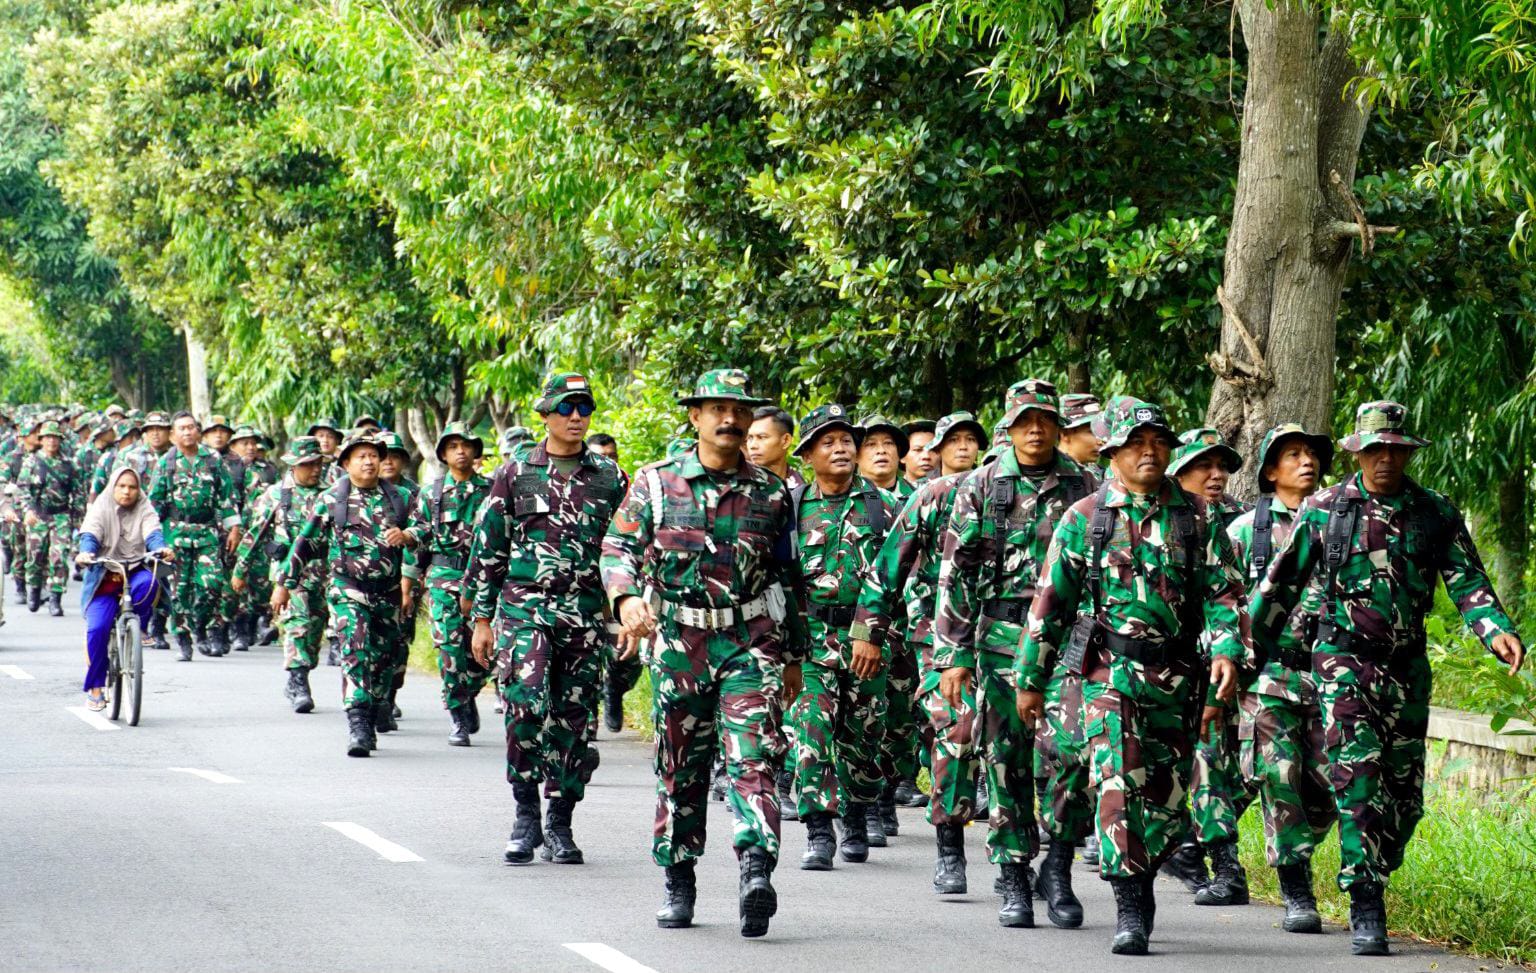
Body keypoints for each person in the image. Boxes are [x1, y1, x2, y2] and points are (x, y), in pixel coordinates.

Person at [1250, 401, 1524, 956]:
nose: (1385, 460)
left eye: (1395, 450)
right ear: (1359, 453)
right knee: (1359, 784)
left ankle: (1379, 861)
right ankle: (1365, 901)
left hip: (1406, 669)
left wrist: (1494, 629)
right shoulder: (1326, 509)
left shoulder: (1434, 512)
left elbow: (1467, 580)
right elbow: (1277, 589)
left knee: (1404, 797)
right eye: (1375, 450)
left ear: (1406, 453)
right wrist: (1245, 656)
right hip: (1342, 664)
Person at [1017, 397, 1248, 955]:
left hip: (1177, 676)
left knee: (1166, 800)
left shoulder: (1196, 517)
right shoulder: (1086, 518)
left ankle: (1142, 875)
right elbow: (1050, 602)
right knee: (1117, 782)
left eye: (1158, 442)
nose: (1149, 452)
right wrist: (1030, 677)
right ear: (1112, 451)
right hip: (1106, 674)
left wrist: (1226, 650)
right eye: (1136, 443)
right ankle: (1128, 904)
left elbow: (1224, 593)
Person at [601, 368, 808, 938]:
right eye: (717, 408)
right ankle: (679, 876)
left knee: (754, 757)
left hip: (750, 640)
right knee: (680, 765)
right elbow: (618, 545)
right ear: (695, 417)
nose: (729, 419)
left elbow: (787, 577)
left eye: (739, 410)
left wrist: (793, 655)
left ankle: (755, 871)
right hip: (680, 642)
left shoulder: (770, 491)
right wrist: (624, 599)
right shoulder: (656, 482)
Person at [934, 379, 1096, 929]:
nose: (1035, 429)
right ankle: (1012, 875)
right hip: (1000, 639)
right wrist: (952, 654)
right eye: (1024, 419)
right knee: (1006, 759)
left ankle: (1059, 863)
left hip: (1069, 645)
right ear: (1008, 425)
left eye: (1044, 420)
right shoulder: (982, 485)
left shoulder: (1086, 485)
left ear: (1058, 426)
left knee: (1073, 755)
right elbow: (954, 573)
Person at [467, 374, 625, 865]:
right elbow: (488, 547)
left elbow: (625, 549)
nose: (576, 417)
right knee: (525, 704)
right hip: (524, 607)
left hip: (583, 612)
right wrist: (482, 619)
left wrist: (626, 612)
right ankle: (525, 813)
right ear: (545, 414)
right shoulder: (516, 473)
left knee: (575, 720)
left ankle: (561, 820)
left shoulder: (609, 477)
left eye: (584, 408)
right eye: (566, 408)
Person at [850, 410, 984, 894]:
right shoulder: (932, 497)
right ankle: (949, 847)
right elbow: (888, 568)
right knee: (952, 730)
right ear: (936, 450)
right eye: (954, 441)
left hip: (1013, 641)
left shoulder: (1004, 493)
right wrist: (869, 629)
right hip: (935, 635)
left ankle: (1033, 858)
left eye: (973, 439)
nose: (963, 448)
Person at [1225, 422, 1335, 933]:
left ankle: (1294, 841)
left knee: (1331, 779)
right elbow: (1224, 605)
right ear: (1270, 472)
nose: (1305, 462)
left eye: (1310, 454)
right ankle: (1297, 889)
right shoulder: (1246, 531)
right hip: (1269, 674)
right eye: (1292, 455)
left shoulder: (1342, 521)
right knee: (1279, 774)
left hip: (1333, 674)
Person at [787, 404, 898, 870]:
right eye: (828, 442)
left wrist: (870, 632)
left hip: (867, 640)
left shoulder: (883, 506)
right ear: (808, 453)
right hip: (811, 638)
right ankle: (818, 829)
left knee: (864, 735)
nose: (840, 448)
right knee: (810, 729)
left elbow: (898, 574)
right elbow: (777, 574)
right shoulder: (790, 507)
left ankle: (856, 811)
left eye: (846, 441)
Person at [274, 432, 411, 756]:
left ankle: (378, 703)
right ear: (346, 463)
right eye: (360, 456)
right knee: (354, 650)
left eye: (373, 455)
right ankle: (358, 724)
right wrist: (284, 584)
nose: (368, 461)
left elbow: (423, 538)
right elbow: (304, 543)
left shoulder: (401, 497)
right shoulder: (332, 498)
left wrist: (409, 560)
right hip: (347, 589)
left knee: (385, 659)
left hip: (388, 593)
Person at [402, 421, 491, 746]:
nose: (461, 451)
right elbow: (418, 535)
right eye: (453, 446)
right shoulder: (431, 493)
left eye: (466, 445)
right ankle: (458, 716)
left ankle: (467, 693)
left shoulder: (492, 491)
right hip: (443, 581)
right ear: (443, 453)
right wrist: (407, 583)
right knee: (450, 651)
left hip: (484, 583)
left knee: (486, 655)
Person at [232, 436, 330, 713]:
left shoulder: (331, 493)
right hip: (289, 573)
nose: (315, 469)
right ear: (294, 466)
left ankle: (302, 672)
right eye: (308, 464)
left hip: (323, 572)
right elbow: (256, 534)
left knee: (315, 629)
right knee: (297, 624)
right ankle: (298, 683)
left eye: (318, 463)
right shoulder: (277, 494)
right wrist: (241, 569)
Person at [75, 467, 172, 710]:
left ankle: (137, 624)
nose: (127, 491)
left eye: (132, 487)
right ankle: (96, 689)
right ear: (113, 487)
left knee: (151, 581)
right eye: (122, 486)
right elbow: (90, 534)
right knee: (97, 629)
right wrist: (87, 552)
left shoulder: (144, 507)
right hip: (105, 578)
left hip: (135, 569)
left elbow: (153, 532)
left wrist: (160, 548)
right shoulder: (101, 506)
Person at [148, 412, 242, 660]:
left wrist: (234, 528)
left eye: (191, 427)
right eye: (182, 428)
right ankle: (183, 638)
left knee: (210, 585)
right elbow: (154, 503)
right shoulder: (167, 462)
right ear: (173, 434)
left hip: (207, 533)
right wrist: (150, 537)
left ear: (198, 432)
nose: (187, 432)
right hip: (175, 534)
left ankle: (200, 626)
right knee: (179, 591)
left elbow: (227, 496)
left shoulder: (212, 459)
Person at [378, 431, 421, 728]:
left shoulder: (413, 494)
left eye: (395, 455)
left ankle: (390, 697)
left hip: (403, 579)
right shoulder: (355, 492)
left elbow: (420, 538)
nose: (389, 461)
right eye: (384, 455)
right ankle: (369, 701)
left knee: (400, 641)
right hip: (365, 582)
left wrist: (409, 581)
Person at [19, 419, 81, 616]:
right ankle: (34, 589)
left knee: (59, 557)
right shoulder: (32, 462)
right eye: (48, 438)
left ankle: (55, 598)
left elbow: (78, 493)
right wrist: (28, 510)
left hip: (61, 515)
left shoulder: (69, 464)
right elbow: (23, 489)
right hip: (38, 515)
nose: (52, 441)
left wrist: (78, 520)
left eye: (55, 438)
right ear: (41, 440)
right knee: (35, 557)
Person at [746, 406, 804, 489]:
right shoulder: (735, 486)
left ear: (786, 441)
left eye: (762, 437)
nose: (753, 446)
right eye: (750, 438)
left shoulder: (801, 490)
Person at [856, 414, 907, 493]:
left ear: (898, 452)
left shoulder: (919, 498)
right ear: (856, 455)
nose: (881, 450)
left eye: (888, 443)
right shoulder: (842, 499)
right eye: (871, 444)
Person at [1058, 395, 1103, 468]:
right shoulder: (1043, 474)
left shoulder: (1098, 474)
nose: (1100, 442)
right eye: (1092, 432)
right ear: (1065, 433)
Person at [900, 420, 936, 493]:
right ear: (902, 456)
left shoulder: (952, 492)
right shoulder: (887, 495)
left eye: (933, 450)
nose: (926, 456)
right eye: (918, 450)